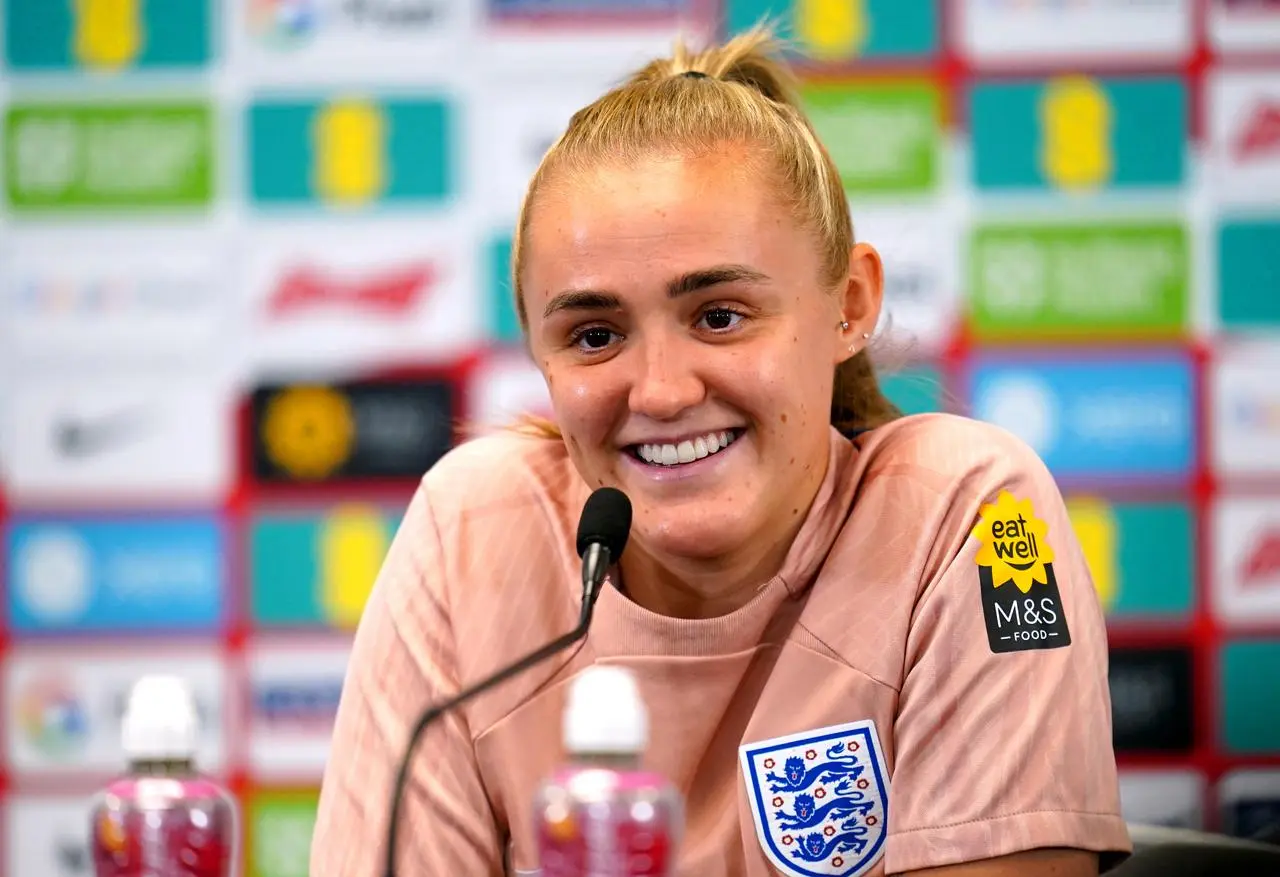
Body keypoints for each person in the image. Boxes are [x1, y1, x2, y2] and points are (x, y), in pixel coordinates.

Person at [312, 27, 1131, 877]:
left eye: (719, 316)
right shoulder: (472, 527)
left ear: (849, 306)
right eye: (595, 335)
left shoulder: (978, 513)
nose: (660, 392)